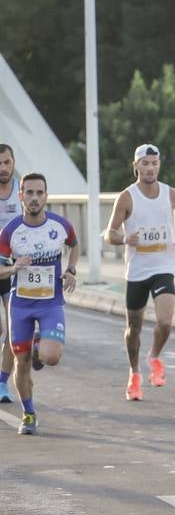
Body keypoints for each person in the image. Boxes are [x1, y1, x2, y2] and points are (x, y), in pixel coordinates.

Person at [103, 144, 175, 401]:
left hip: (163, 267)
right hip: (137, 271)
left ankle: (154, 356)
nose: (151, 168)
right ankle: (134, 373)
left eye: (155, 163)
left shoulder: (170, 193)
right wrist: (124, 239)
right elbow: (110, 233)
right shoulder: (127, 197)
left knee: (165, 321)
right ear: (136, 167)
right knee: (134, 327)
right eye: (146, 163)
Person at [0, 173, 78, 435]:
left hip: (50, 303)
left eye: (39, 193)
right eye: (29, 193)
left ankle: (39, 348)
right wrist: (12, 267)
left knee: (52, 357)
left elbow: (74, 245)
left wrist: (71, 270)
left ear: (46, 196)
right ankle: (29, 413)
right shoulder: (10, 231)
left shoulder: (60, 225)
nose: (34, 198)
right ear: (20, 196)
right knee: (20, 364)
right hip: (20, 306)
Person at [0, 144, 23, 403]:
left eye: (7, 162)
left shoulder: (22, 191)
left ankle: (1, 383)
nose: (3, 168)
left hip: (14, 267)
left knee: (14, 329)